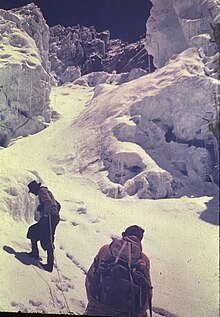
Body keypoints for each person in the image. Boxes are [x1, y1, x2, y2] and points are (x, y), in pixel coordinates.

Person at [85, 225, 153, 317]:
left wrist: (93, 302)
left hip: (98, 308)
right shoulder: (143, 260)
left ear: (124, 235)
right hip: (128, 313)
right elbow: (147, 291)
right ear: (140, 240)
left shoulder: (106, 249)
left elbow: (90, 278)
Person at [26, 180, 61, 272]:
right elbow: (58, 205)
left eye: (32, 191)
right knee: (34, 231)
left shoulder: (42, 191)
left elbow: (48, 202)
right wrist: (54, 212)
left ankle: (49, 265)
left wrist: (46, 213)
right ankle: (35, 253)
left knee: (47, 239)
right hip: (52, 217)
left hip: (48, 218)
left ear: (34, 188)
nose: (33, 193)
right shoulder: (46, 191)